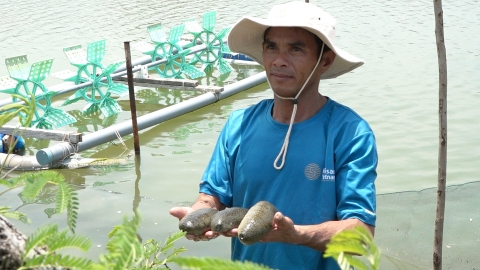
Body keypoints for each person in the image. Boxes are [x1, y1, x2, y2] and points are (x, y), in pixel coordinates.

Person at [170, 1, 377, 269]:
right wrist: (199, 212)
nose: (279, 60)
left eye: (296, 48)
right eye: (271, 47)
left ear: (324, 61)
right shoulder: (239, 124)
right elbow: (211, 196)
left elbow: (361, 236)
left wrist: (297, 235)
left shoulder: (349, 132)